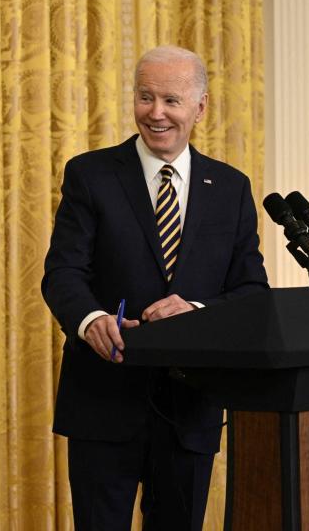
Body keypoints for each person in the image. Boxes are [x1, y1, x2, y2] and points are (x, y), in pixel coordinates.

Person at [41, 46, 268, 530]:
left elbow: (251, 291)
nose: (156, 113)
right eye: (146, 97)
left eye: (171, 100)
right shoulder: (90, 174)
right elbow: (62, 272)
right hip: (103, 401)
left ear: (200, 107)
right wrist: (90, 320)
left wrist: (197, 311)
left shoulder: (231, 188)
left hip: (190, 411)